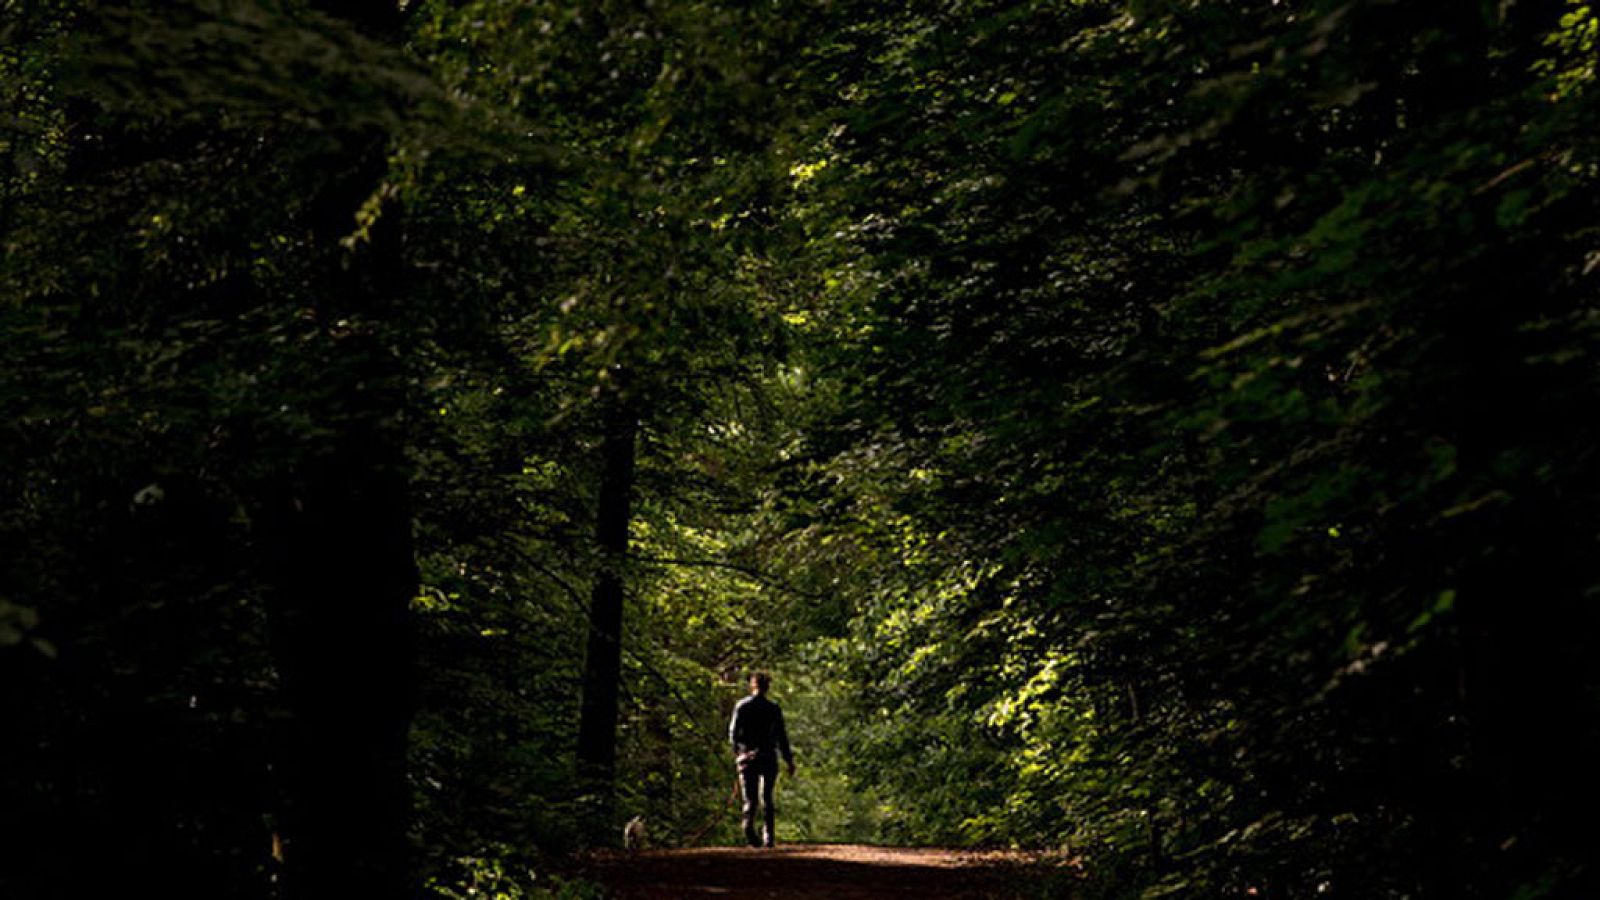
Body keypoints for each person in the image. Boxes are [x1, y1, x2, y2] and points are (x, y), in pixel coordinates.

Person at [727, 671, 795, 848]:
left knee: (750, 799)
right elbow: (782, 737)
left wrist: (738, 754)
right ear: (767, 687)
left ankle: (749, 830)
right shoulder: (773, 708)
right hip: (768, 756)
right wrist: (789, 760)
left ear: (753, 685)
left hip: (747, 757)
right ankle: (769, 837)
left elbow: (733, 734)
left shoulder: (742, 706)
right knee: (767, 796)